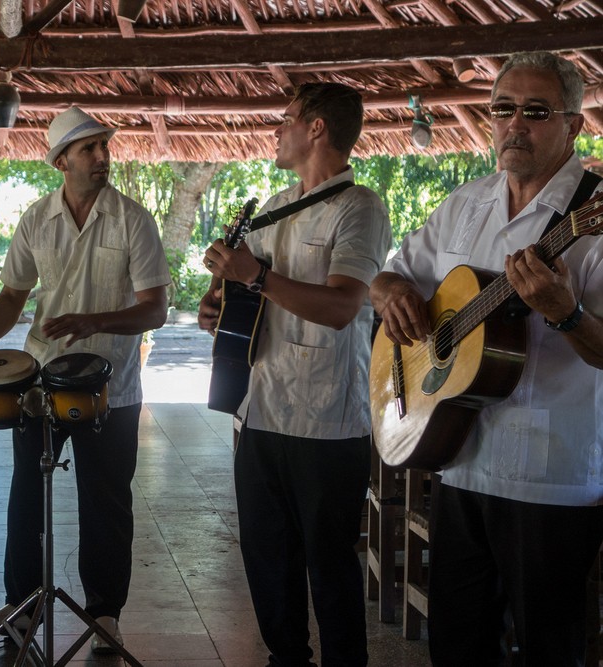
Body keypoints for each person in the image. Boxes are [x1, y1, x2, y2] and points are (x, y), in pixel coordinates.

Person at [370, 51, 603, 665]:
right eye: (503, 109)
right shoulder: (466, 203)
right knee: (458, 645)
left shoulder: (592, 213)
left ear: (573, 127)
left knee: (549, 649)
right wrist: (393, 293)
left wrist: (566, 314)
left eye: (535, 111)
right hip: (461, 458)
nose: (514, 125)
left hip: (551, 477)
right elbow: (394, 273)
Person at [0, 106, 170, 652]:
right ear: (61, 162)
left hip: (111, 387)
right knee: (28, 494)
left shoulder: (133, 220)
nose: (103, 158)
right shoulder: (36, 219)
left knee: (106, 503)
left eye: (105, 147)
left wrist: (92, 323)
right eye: (90, 150)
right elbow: (12, 294)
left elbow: (154, 311)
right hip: (39, 384)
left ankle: (105, 615)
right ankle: (23, 605)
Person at [199, 83, 391, 666]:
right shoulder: (272, 206)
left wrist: (254, 276)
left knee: (329, 566)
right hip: (260, 410)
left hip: (329, 420)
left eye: (285, 119)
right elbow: (244, 289)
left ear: (316, 129)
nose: (275, 130)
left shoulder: (361, 207)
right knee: (266, 560)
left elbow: (340, 307)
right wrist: (220, 303)